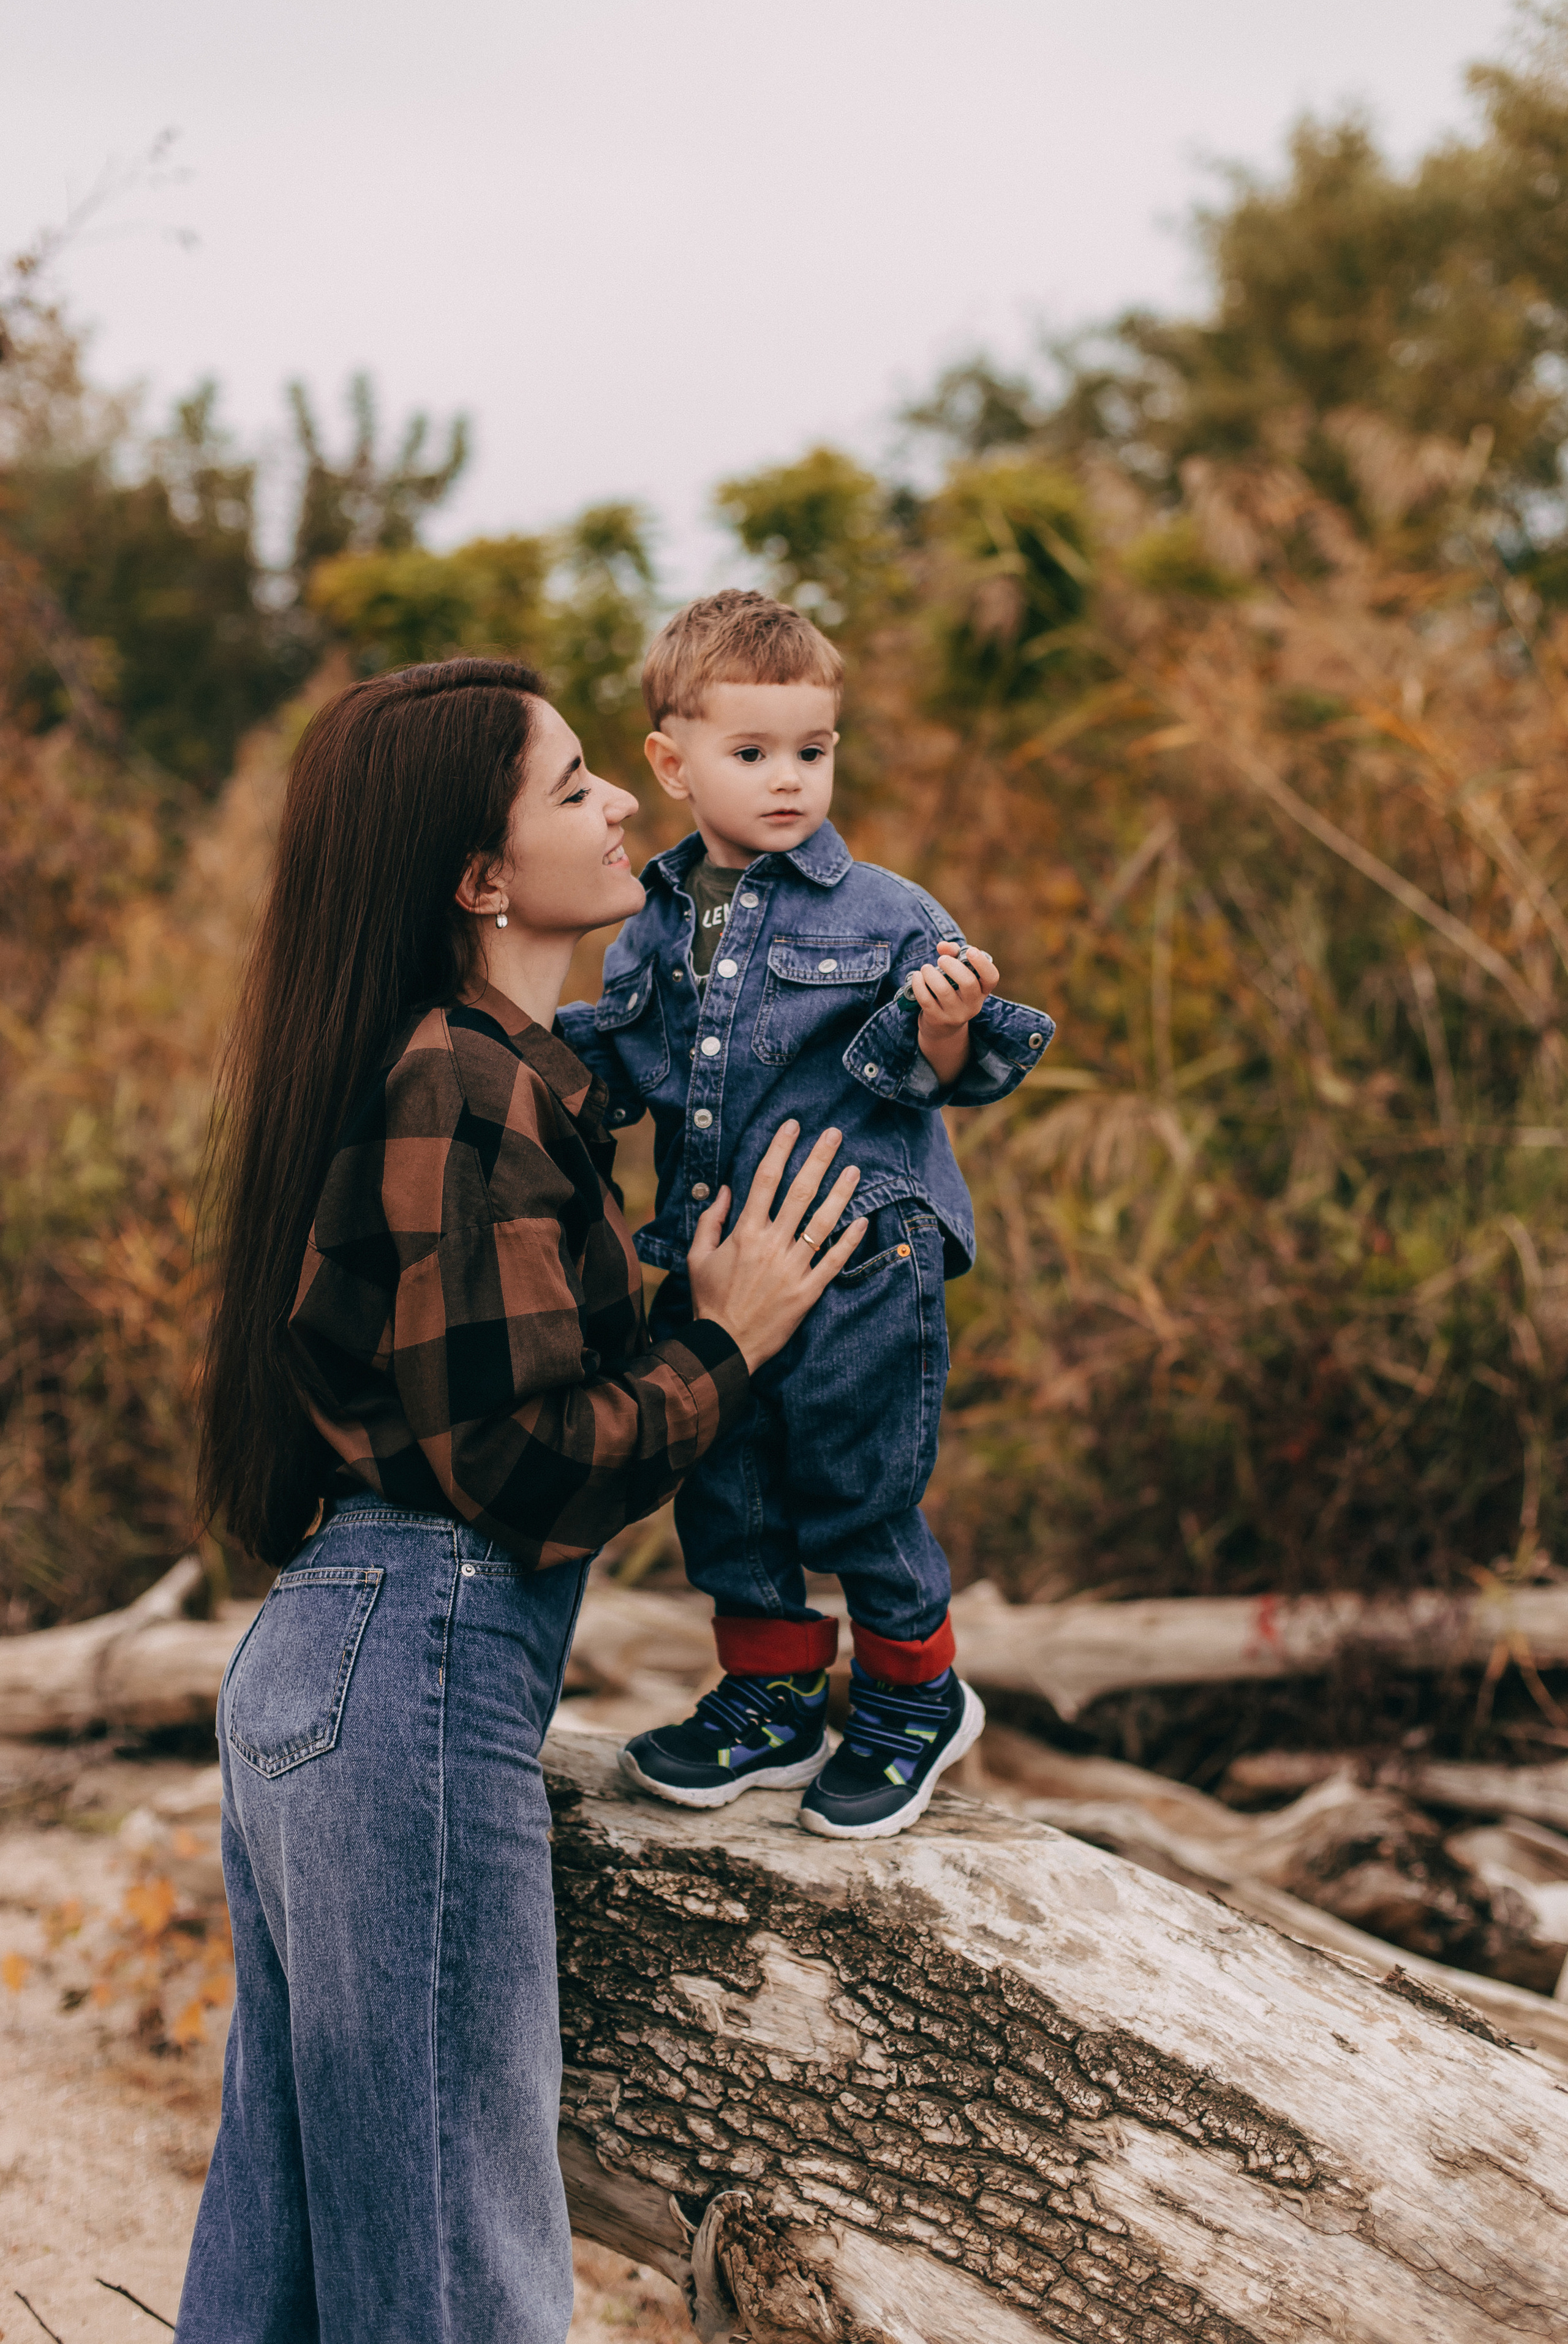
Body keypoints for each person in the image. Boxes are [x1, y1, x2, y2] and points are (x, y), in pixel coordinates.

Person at [179, 657, 867, 2344]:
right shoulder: (464, 1085)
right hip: (408, 1671)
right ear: (481, 879)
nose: (623, 799)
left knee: (282, 2260)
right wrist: (729, 1340)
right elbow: (519, 1466)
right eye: (573, 788)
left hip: (336, 1668)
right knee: (450, 2256)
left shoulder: (488, 1071)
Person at [556, 590, 1055, 1842]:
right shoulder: (653, 920)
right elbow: (622, 1061)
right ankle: (771, 1695)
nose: (788, 781)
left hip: (853, 1249)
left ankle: (911, 1693)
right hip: (715, 1254)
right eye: (752, 753)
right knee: (725, 1483)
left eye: (811, 751)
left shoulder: (884, 911)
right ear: (670, 765)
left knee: (855, 1484)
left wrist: (941, 1022)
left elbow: (953, 1071)